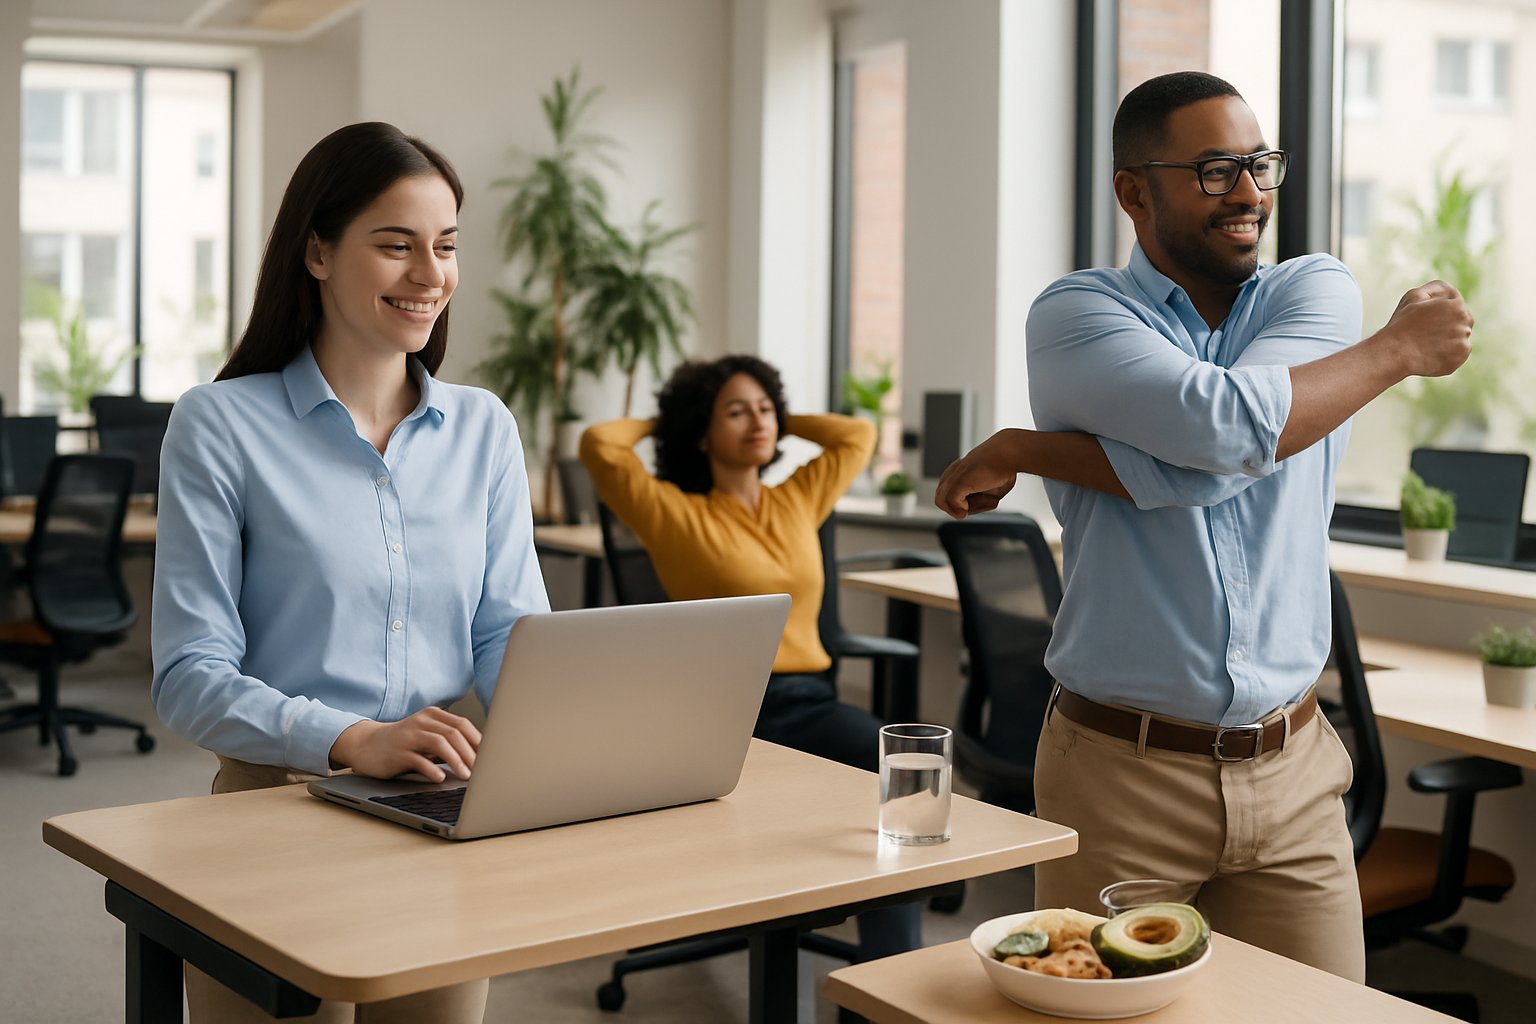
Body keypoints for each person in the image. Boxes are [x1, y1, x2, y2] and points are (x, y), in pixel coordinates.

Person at [934, 71, 1473, 982]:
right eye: (1216, 169)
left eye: (1260, 165)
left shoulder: (1315, 291)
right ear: (1134, 191)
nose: (1251, 194)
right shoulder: (1077, 315)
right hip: (1122, 773)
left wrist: (1027, 448)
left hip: (1295, 769)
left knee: (1324, 1015)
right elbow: (1225, 432)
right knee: (1099, 1012)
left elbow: (1223, 447)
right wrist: (1392, 353)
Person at [151, 122, 549, 1024]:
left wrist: (565, 740)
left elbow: (507, 633)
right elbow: (188, 676)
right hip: (270, 812)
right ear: (319, 252)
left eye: (445, 246)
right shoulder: (219, 425)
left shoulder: (485, 428)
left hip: (440, 804)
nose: (430, 275)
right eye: (396, 245)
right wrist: (350, 739)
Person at [580, 354, 921, 960]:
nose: (757, 422)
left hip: (810, 700)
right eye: (735, 413)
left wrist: (778, 416)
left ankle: (888, 979)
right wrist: (674, 421)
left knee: (908, 780)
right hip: (726, 716)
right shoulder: (671, 513)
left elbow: (857, 435)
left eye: (766, 409)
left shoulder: (799, 499)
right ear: (702, 432)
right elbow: (601, 444)